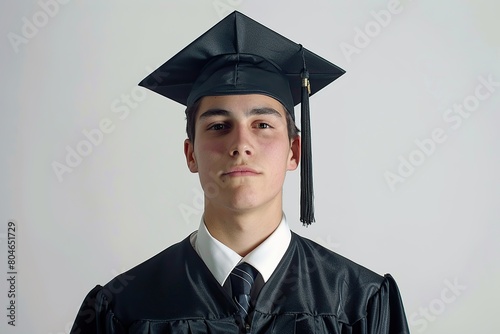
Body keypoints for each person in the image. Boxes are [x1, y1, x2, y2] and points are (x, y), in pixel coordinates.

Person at [70, 11, 410, 334]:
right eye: (219, 126)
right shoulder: (123, 310)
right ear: (191, 155)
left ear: (294, 152)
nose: (241, 145)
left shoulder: (359, 303)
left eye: (262, 125)